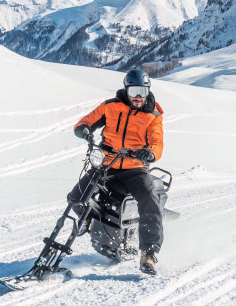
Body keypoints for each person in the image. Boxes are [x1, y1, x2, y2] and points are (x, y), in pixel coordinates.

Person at [68, 68, 165, 275]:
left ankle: (148, 253)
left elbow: (157, 142)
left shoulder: (153, 115)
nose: (138, 97)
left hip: (134, 167)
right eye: (134, 91)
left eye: (142, 91)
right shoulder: (110, 106)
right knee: (76, 197)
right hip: (107, 164)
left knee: (150, 200)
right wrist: (83, 130)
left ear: (148, 91)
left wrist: (149, 154)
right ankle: (88, 219)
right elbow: (86, 120)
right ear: (126, 90)